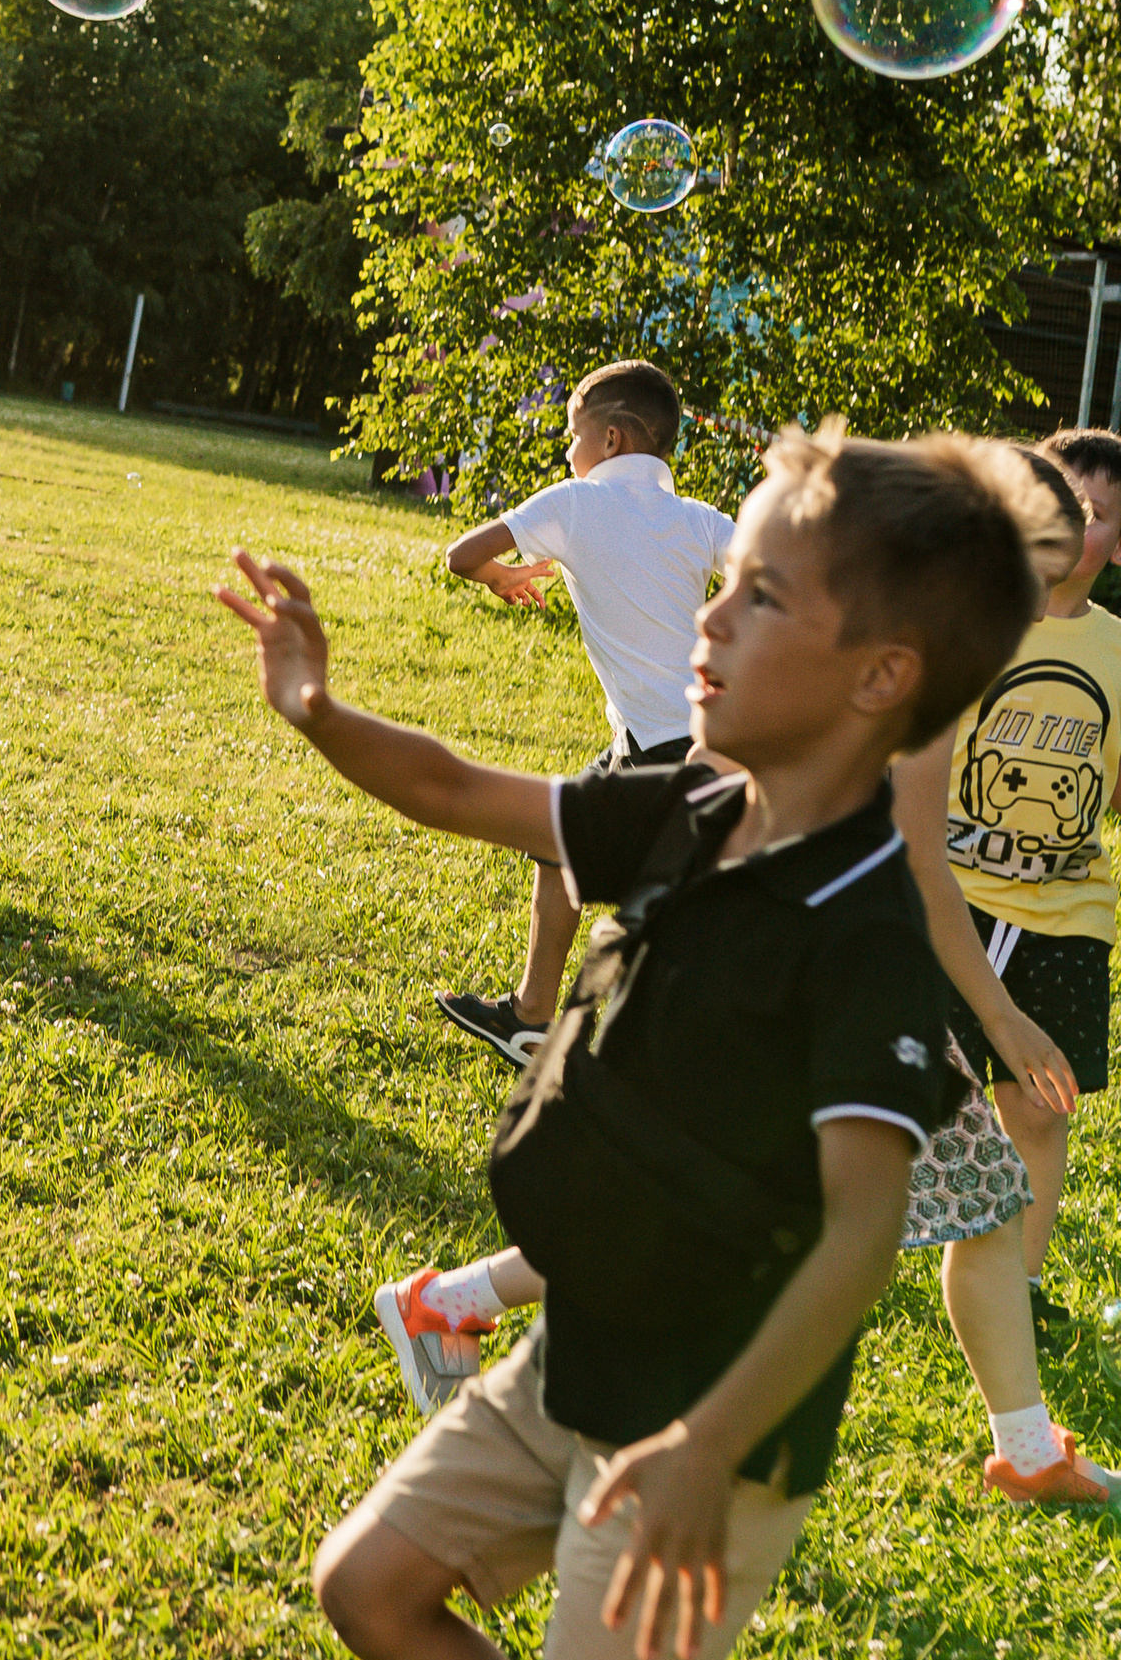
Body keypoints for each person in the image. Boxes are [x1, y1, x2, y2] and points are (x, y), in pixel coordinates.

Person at [222, 422, 1041, 1660]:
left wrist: (699, 1451)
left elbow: (855, 1236)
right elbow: (458, 792)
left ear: (880, 676)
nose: (712, 614)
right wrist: (316, 710)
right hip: (577, 1360)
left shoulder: (867, 942)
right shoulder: (686, 802)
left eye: (759, 592)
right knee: (374, 1588)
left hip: (708, 1435)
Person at [381, 458, 1115, 1508]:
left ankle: (1028, 1450)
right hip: (837, 980)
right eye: (1046, 547)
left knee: (972, 1207)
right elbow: (909, 862)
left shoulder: (891, 623)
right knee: (735, 1206)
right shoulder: (923, 661)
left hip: (814, 964)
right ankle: (455, 1305)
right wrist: (999, 1013)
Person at [433, 358, 733, 1066]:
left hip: (664, 747)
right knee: (559, 838)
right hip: (709, 736)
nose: (568, 451)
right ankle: (531, 1018)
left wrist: (501, 577)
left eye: (575, 435)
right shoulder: (699, 519)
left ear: (612, 442)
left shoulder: (572, 501)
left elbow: (460, 554)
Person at [941, 421, 1121, 1337]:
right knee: (885, 1093)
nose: (1070, 521)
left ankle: (1016, 1283)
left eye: (1094, 513)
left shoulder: (1119, 651)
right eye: (1059, 501)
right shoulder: (974, 627)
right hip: (950, 905)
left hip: (1065, 916)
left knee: (1042, 1110)